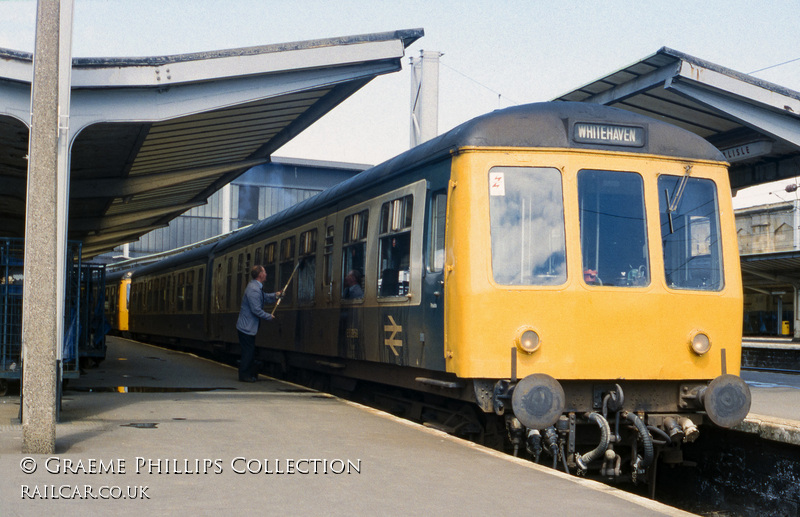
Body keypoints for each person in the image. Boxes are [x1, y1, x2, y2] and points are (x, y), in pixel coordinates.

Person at [236, 265, 281, 382]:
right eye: (264, 272)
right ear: (260, 275)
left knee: (249, 351)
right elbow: (255, 309)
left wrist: (276, 295)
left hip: (247, 327)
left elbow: (264, 297)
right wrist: (268, 316)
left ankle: (248, 374)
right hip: (246, 327)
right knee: (248, 352)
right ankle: (244, 375)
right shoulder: (253, 289)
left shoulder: (256, 288)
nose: (266, 274)